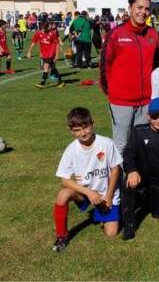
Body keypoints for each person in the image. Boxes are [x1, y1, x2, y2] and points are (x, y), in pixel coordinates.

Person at [52, 107, 121, 252]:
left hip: (106, 193)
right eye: (77, 130)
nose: (83, 133)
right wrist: (88, 193)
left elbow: (116, 169)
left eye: (85, 127)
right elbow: (64, 180)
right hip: (85, 193)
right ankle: (61, 236)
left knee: (111, 233)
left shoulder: (106, 143)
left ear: (93, 124)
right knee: (63, 194)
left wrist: (108, 196)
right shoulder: (71, 150)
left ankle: (104, 215)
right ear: (71, 131)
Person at [101, 0, 159, 158]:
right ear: (130, 9)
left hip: (145, 102)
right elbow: (105, 65)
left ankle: (138, 182)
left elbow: (155, 66)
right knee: (121, 144)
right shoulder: (115, 34)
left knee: (141, 144)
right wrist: (112, 92)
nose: (143, 12)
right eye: (139, 7)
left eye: (147, 9)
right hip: (121, 102)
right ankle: (119, 182)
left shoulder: (153, 35)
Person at [121, 98, 159, 240]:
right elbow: (128, 152)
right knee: (127, 183)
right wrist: (131, 170)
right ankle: (129, 223)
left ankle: (148, 199)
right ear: (148, 116)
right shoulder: (138, 131)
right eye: (154, 116)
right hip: (141, 177)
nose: (158, 120)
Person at [27, 21, 65, 88]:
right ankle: (60, 81)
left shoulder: (52, 33)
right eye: (42, 28)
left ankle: (42, 83)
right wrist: (29, 51)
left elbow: (57, 43)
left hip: (51, 52)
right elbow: (34, 42)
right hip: (44, 53)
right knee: (51, 67)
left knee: (46, 67)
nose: (43, 30)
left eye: (44, 28)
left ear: (47, 27)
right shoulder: (38, 33)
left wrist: (56, 54)